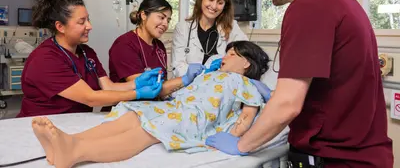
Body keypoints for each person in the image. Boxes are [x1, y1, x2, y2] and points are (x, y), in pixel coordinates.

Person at [205, 0, 394, 167]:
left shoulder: (307, 8)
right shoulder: (342, 1)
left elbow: (288, 104)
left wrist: (241, 144)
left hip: (336, 158)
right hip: (363, 154)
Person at [30, 41, 271, 168]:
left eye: (231, 54)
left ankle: (76, 153)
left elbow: (247, 115)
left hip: (195, 119)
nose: (223, 57)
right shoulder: (209, 74)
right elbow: (184, 91)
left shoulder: (245, 83)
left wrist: (236, 138)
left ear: (246, 64)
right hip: (175, 107)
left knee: (148, 129)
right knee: (134, 112)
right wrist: (189, 79)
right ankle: (71, 140)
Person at [17, 0, 163, 118]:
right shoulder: (45, 59)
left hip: (74, 123)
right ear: (60, 27)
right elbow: (90, 98)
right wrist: (137, 93)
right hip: (39, 126)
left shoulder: (86, 52)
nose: (89, 26)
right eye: (82, 22)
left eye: (88, 19)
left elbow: (108, 86)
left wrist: (137, 83)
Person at [108, 0, 207, 100]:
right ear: (143, 15)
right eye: (161, 17)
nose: (165, 24)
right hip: (124, 108)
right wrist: (185, 79)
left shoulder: (159, 46)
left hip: (150, 107)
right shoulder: (124, 45)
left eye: (168, 20)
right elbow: (146, 88)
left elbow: (162, 83)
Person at [171, 0, 249, 78]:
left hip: (217, 86)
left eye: (220, 2)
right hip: (187, 86)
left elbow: (247, 51)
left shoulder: (231, 27)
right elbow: (177, 67)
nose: (214, 6)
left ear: (225, 6)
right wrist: (205, 73)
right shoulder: (182, 28)